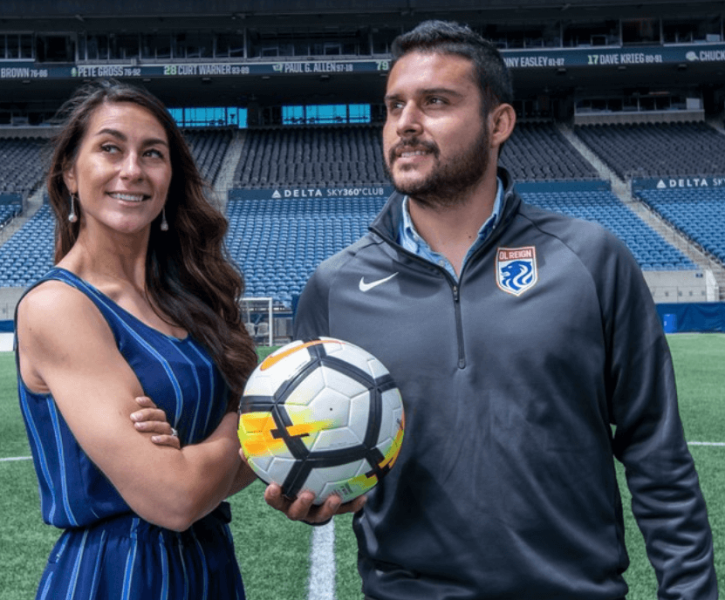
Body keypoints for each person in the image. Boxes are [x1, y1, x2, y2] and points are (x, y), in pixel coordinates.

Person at [264, 20, 718, 600]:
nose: (406, 123)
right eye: (395, 105)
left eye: (436, 102)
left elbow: (658, 453)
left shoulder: (592, 259)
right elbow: (320, 450)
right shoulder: (334, 286)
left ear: (498, 122)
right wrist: (319, 492)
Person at [15, 80, 256, 599]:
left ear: (170, 178)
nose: (132, 170)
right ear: (69, 174)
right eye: (109, 148)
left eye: (153, 154)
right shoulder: (58, 306)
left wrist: (199, 459)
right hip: (118, 574)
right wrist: (259, 415)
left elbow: (234, 477)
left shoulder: (191, 300)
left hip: (209, 563)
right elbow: (172, 499)